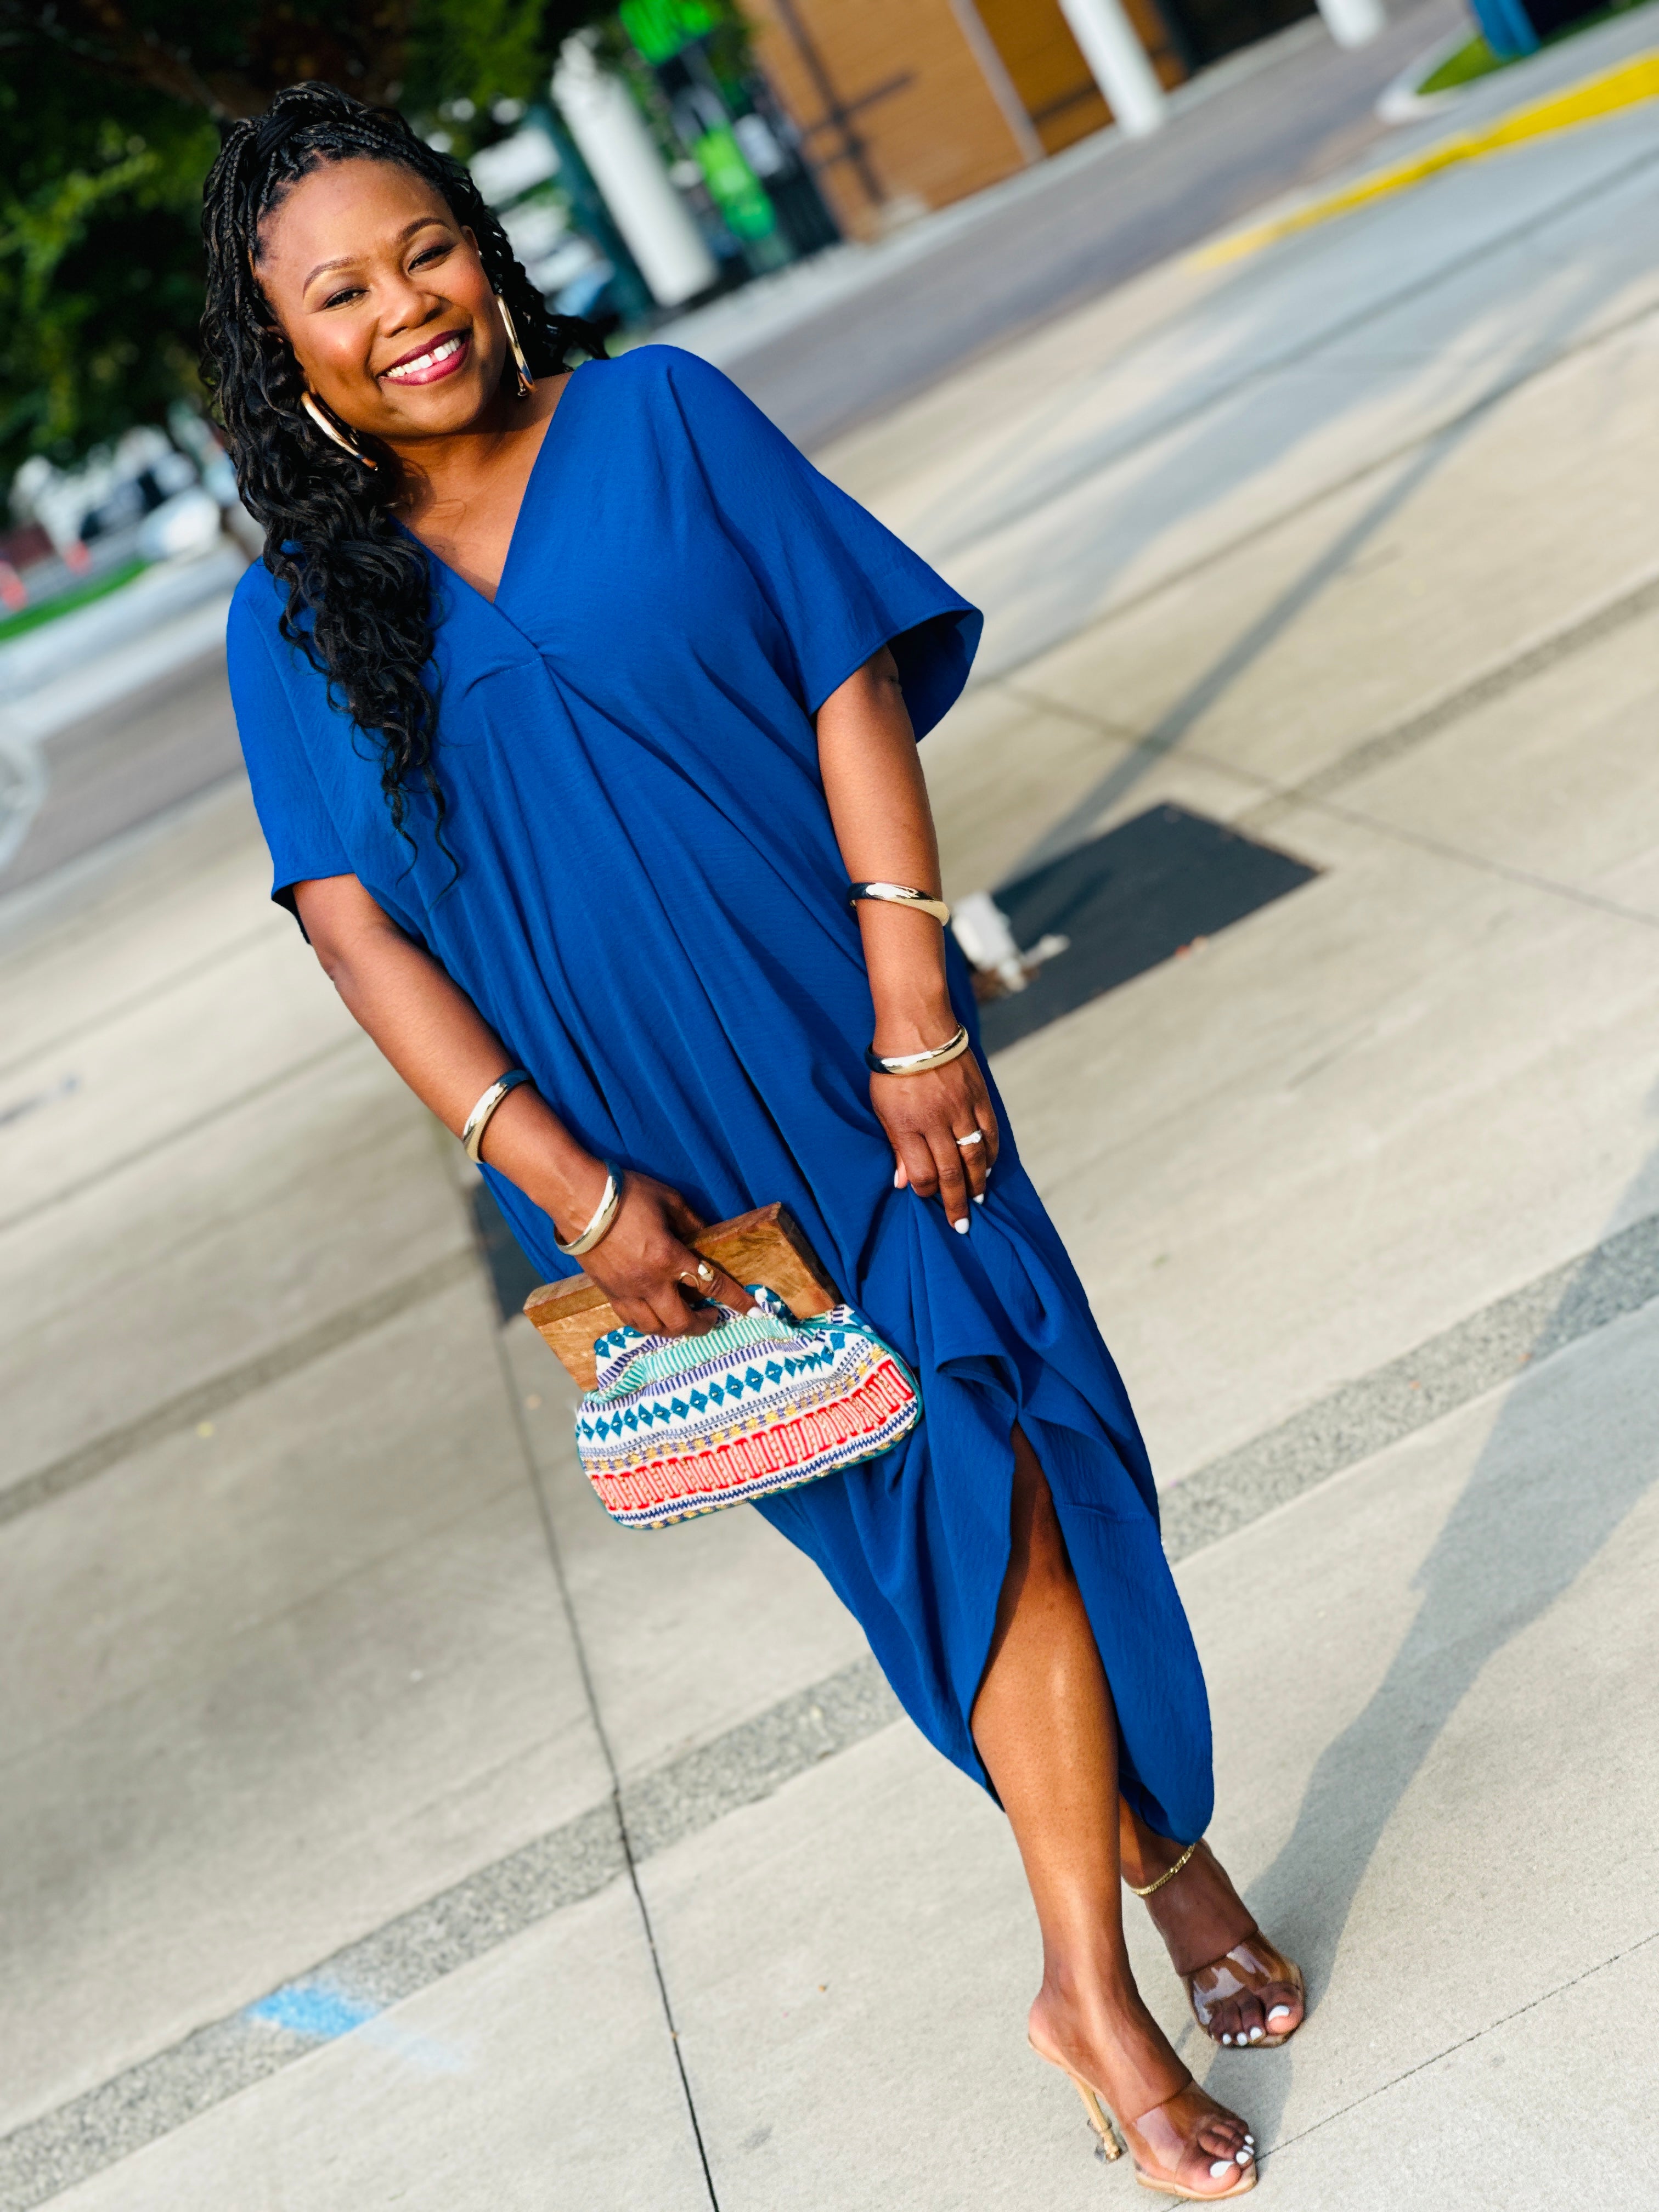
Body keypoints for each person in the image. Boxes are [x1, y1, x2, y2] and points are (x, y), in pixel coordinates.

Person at [203, 82, 1303, 2199]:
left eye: (424, 248)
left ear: (482, 243)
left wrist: (915, 1002)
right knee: (945, 1541)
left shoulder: (667, 425)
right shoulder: (295, 627)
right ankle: (1124, 1939)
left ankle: (1133, 1921)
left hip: (859, 1067)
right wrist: (577, 1194)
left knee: (1044, 1471)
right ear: (284, 350)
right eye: (339, 291)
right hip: (666, 1177)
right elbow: (359, 938)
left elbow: (844, 684)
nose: (404, 306)